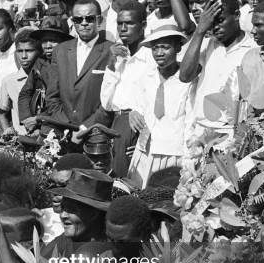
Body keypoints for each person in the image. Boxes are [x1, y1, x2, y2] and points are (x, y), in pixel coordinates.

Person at [127, 25, 193, 188]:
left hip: (172, 153)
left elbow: (190, 121)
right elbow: (139, 104)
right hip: (145, 151)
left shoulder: (187, 81)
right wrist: (134, 112)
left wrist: (188, 159)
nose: (159, 53)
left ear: (178, 47)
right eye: (155, 48)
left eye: (165, 47)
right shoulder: (147, 76)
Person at [180, 0, 255, 139]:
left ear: (237, 15)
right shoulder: (207, 43)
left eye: (220, 20)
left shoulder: (253, 49)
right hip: (200, 130)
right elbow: (185, 76)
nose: (216, 27)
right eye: (212, 23)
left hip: (230, 133)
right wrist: (200, 31)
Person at [100, 1, 155, 177]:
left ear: (143, 25)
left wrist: (142, 137)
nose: (123, 28)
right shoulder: (117, 57)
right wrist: (111, 63)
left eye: (129, 23)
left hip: (138, 126)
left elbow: (155, 98)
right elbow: (106, 103)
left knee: (131, 183)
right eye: (119, 23)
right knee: (115, 181)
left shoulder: (151, 58)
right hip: (117, 124)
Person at [45, 0, 114, 134]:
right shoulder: (60, 51)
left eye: (89, 18)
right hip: (63, 131)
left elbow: (109, 103)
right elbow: (52, 97)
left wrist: (84, 129)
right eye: (78, 19)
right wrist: (67, 128)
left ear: (99, 20)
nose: (83, 23)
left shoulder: (111, 51)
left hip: (96, 133)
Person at [0, 28, 42, 134]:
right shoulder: (9, 81)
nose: (24, 56)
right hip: (22, 139)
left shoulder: (48, 78)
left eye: (29, 51)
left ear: (39, 51)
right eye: (20, 51)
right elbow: (1, 113)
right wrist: (7, 130)